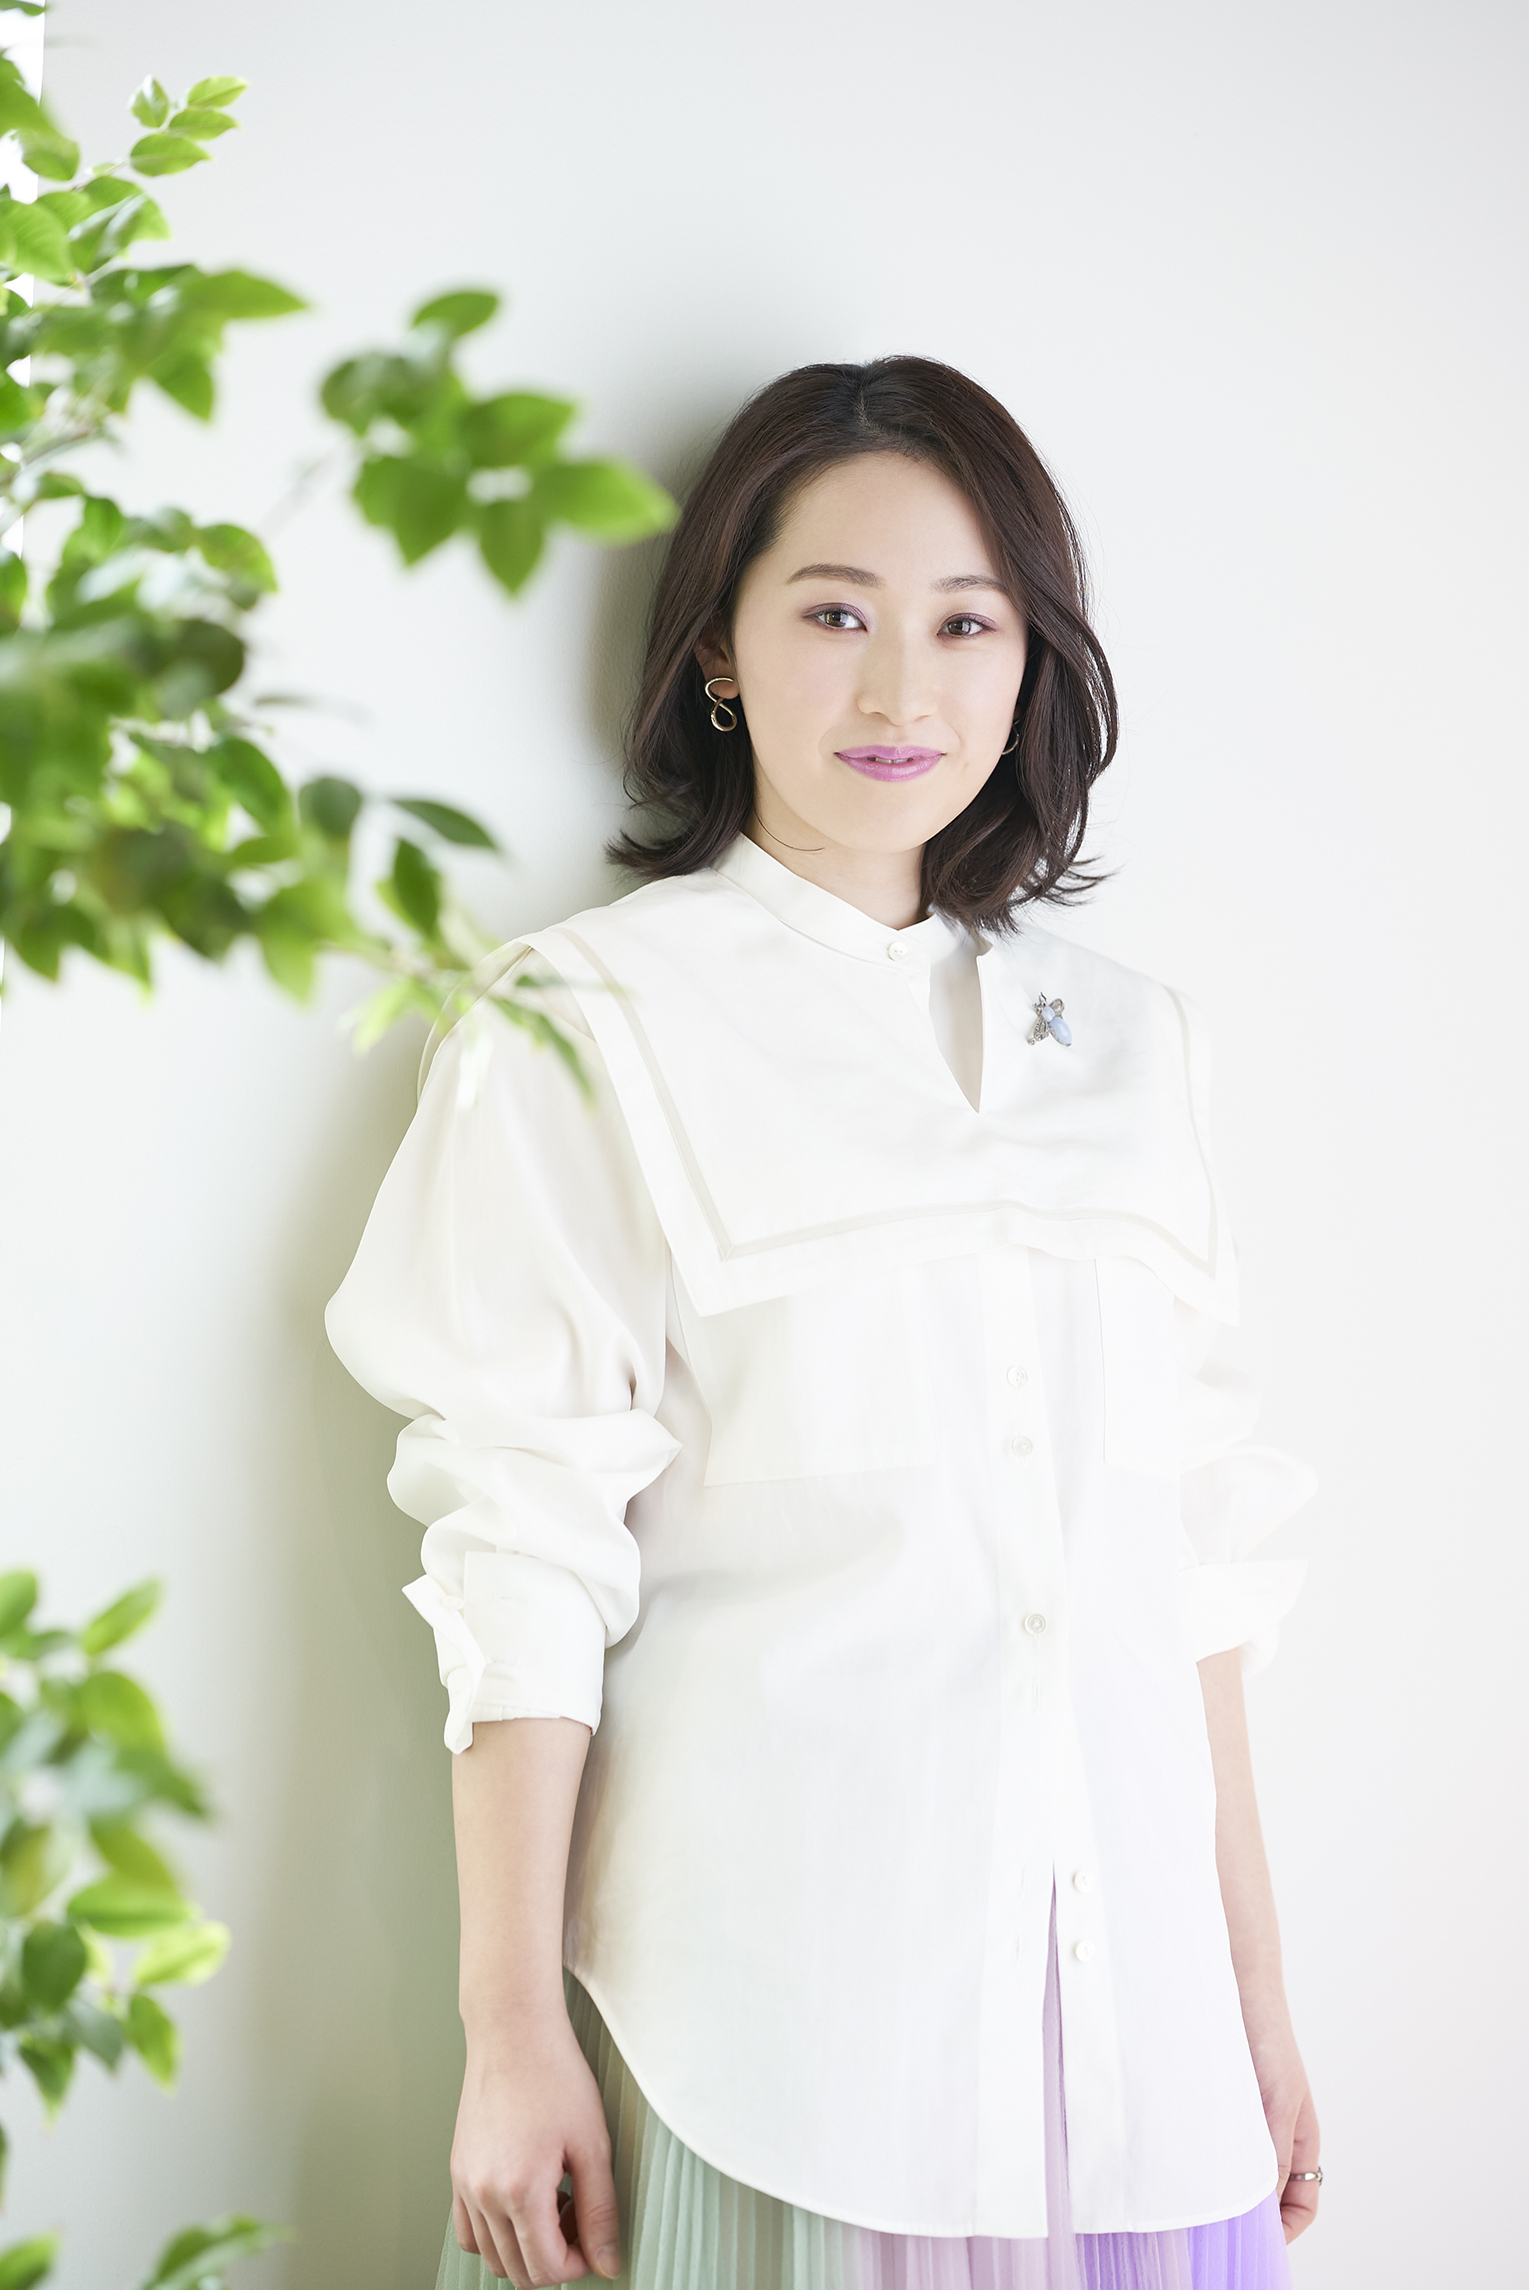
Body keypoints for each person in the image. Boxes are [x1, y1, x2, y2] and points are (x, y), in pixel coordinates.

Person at [326, 357, 1322, 2290]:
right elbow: (521, 1547)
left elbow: (1187, 1575)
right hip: (776, 2046)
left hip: (1141, 2075)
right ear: (718, 647)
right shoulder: (584, 1019)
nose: (899, 694)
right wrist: (509, 2028)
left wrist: (1253, 2005)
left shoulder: (1134, 1045)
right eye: (835, 615)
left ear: (1029, 663)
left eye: (966, 625)